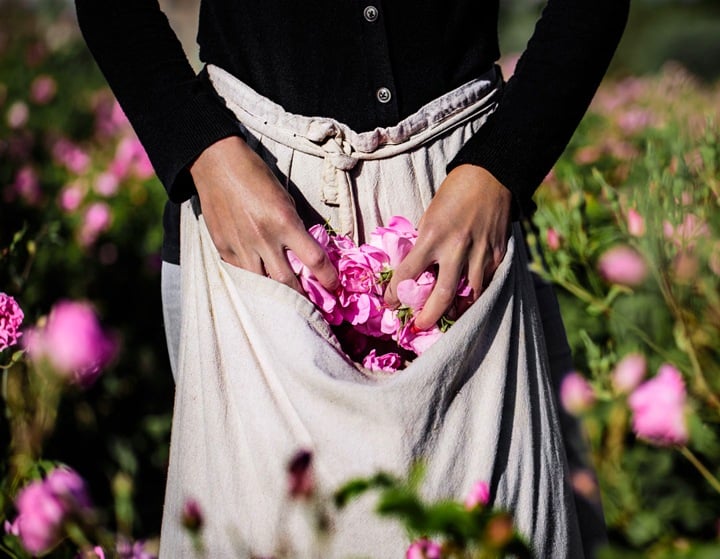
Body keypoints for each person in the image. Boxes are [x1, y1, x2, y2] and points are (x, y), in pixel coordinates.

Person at [75, 1, 629, 557]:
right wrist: (200, 146)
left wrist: (505, 163)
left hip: (464, 205)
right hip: (252, 203)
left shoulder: (486, 188)